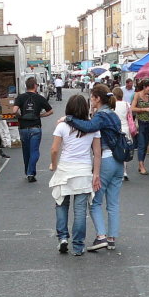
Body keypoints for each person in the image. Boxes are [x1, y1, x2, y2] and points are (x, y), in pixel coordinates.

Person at [65, 84, 125, 252]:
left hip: (105, 160)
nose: (90, 100)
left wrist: (68, 119)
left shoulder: (101, 115)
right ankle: (112, 238)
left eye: (92, 97)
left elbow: (89, 128)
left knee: (95, 202)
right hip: (119, 162)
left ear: (97, 99)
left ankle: (101, 236)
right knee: (113, 203)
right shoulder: (113, 114)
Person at [49, 94, 101, 256]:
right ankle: (78, 246)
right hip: (84, 171)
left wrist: (54, 164)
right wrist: (96, 174)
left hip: (65, 169)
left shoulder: (62, 126)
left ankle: (63, 238)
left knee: (61, 204)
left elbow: (55, 149)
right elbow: (97, 153)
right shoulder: (93, 128)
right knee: (80, 211)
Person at [13, 77, 54, 182]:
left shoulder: (20, 97)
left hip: (23, 128)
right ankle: (31, 173)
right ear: (35, 86)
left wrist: (20, 116)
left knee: (26, 151)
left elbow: (14, 110)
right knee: (34, 151)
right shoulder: (40, 98)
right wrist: (41, 115)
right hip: (35, 128)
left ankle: (28, 172)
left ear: (26, 86)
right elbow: (50, 111)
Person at [131, 79, 149, 175]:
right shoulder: (137, 95)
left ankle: (141, 163)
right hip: (140, 123)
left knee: (145, 145)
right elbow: (132, 108)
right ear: (144, 87)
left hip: (148, 123)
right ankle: (141, 166)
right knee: (141, 144)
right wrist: (145, 109)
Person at [112, 86, 132, 181]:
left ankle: (116, 171)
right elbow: (130, 117)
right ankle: (124, 171)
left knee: (114, 150)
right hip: (125, 128)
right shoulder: (127, 104)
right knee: (124, 150)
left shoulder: (112, 105)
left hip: (115, 129)